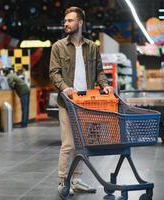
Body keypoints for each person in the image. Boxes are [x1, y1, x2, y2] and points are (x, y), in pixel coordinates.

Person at [49, 6, 113, 197]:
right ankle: (63, 181)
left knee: (82, 144)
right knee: (68, 144)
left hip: (87, 103)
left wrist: (105, 85)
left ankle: (76, 180)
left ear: (80, 23)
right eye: (65, 20)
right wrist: (64, 88)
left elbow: (100, 71)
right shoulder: (58, 47)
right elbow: (54, 72)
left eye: (70, 20)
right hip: (67, 103)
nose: (66, 23)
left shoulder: (92, 47)